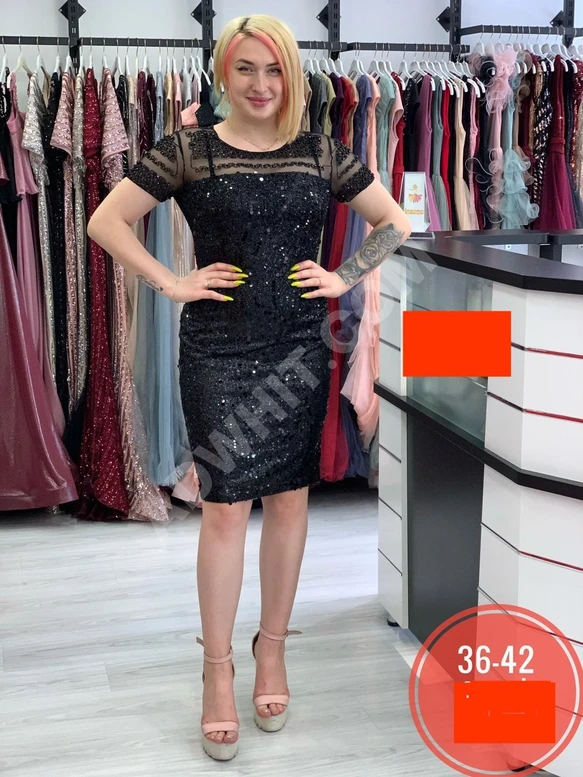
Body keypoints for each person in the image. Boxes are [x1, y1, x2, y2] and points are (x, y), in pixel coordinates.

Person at [87, 13, 411, 762]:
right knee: (225, 508)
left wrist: (345, 276)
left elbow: (394, 223)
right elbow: (106, 221)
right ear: (223, 75)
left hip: (297, 349)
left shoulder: (319, 152)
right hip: (217, 349)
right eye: (245, 69)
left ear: (291, 77)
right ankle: (217, 669)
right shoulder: (190, 151)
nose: (261, 84)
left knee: (291, 501)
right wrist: (171, 281)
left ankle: (272, 650)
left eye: (274, 70)